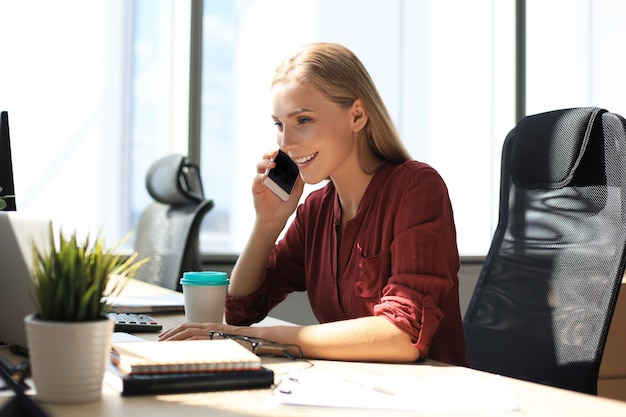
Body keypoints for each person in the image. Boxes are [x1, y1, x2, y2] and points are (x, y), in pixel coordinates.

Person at [159, 42, 468, 366]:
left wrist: (263, 341)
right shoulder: (317, 209)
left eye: (303, 120)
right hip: (352, 391)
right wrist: (268, 224)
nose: (286, 143)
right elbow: (241, 309)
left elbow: (402, 336)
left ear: (357, 115)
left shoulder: (416, 189)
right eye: (279, 125)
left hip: (426, 396)